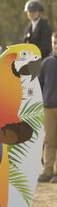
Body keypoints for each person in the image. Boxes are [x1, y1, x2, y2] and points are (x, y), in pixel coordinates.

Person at [39, 32, 57, 183]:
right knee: (48, 140)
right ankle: (47, 171)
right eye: (54, 42)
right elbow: (39, 84)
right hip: (48, 107)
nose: (56, 45)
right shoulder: (46, 63)